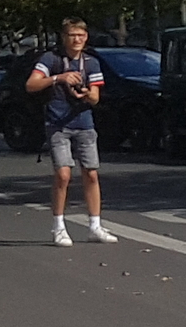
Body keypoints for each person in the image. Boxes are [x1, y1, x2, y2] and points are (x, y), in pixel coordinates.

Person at [23, 18, 117, 247]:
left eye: (81, 35)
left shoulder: (91, 63)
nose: (77, 40)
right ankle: (58, 227)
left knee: (91, 173)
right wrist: (59, 78)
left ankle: (95, 225)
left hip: (84, 124)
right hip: (57, 125)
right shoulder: (51, 59)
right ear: (64, 37)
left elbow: (95, 98)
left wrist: (85, 93)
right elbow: (31, 85)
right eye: (73, 35)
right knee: (63, 175)